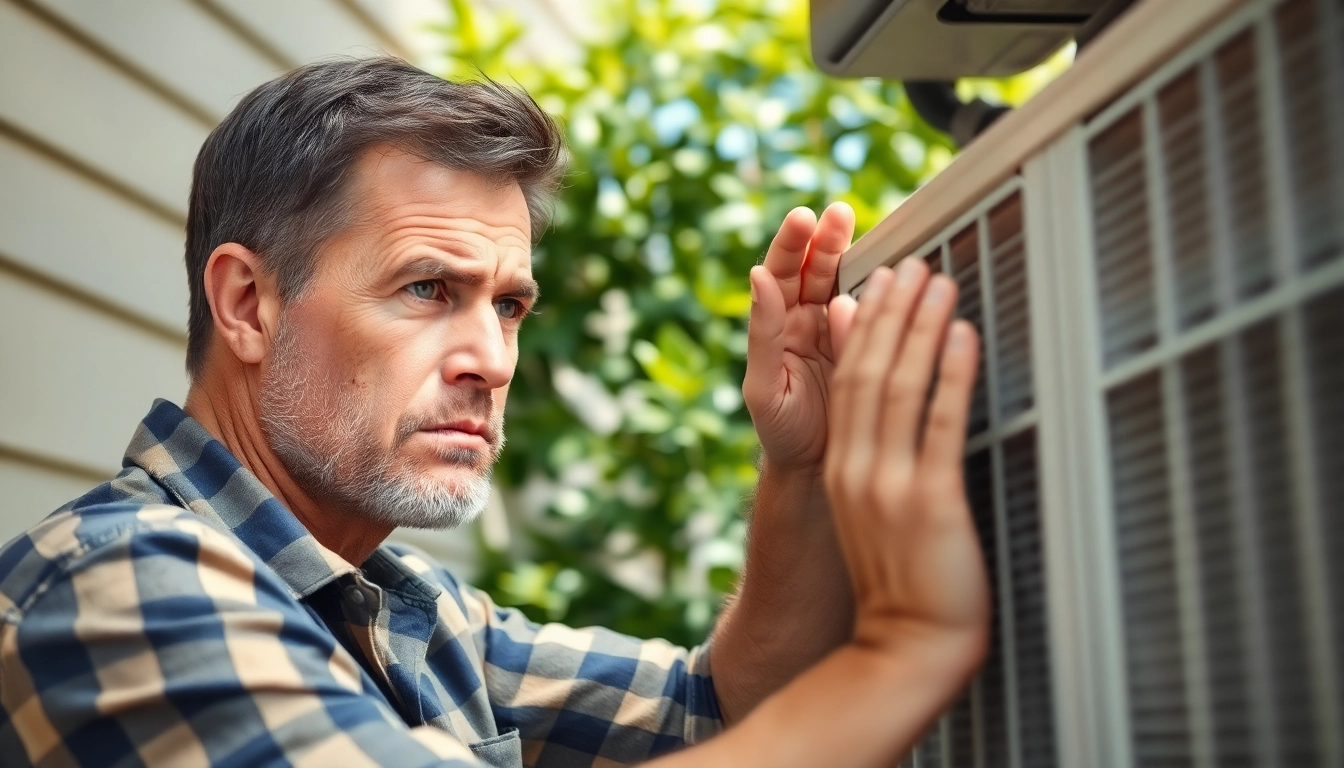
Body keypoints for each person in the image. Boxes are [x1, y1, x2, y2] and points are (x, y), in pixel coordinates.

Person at [0, 58, 987, 767]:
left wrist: (801, 468)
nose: (489, 359)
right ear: (249, 306)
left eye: (508, 305)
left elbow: (721, 714)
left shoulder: (415, 612)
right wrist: (904, 649)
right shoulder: (117, 582)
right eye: (427, 290)